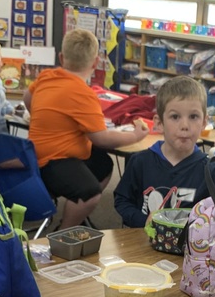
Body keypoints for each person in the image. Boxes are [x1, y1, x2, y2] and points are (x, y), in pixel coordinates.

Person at [25, 28, 149, 229]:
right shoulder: (83, 93)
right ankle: (65, 230)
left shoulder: (46, 76)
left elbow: (27, 98)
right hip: (51, 162)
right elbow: (102, 138)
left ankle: (77, 212)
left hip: (34, 155)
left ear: (61, 57)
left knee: (102, 163)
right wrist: (136, 135)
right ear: (95, 63)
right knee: (91, 194)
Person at [113, 76, 215, 228]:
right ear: (159, 123)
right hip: (144, 242)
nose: (185, 125)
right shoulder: (140, 162)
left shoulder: (209, 170)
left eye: (193, 117)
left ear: (204, 122)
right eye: (175, 117)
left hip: (190, 247)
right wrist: (142, 220)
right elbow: (122, 200)